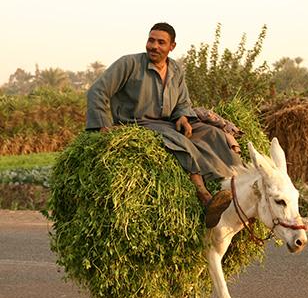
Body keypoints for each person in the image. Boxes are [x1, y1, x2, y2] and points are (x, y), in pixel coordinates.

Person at [86, 22, 242, 227]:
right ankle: (204, 196)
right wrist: (103, 126)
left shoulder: (176, 69)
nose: (154, 46)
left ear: (172, 46)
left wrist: (183, 117)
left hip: (168, 123)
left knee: (214, 134)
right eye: (151, 40)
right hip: (138, 123)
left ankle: (235, 186)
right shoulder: (129, 64)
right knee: (180, 141)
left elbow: (183, 102)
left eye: (161, 42)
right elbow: (97, 91)